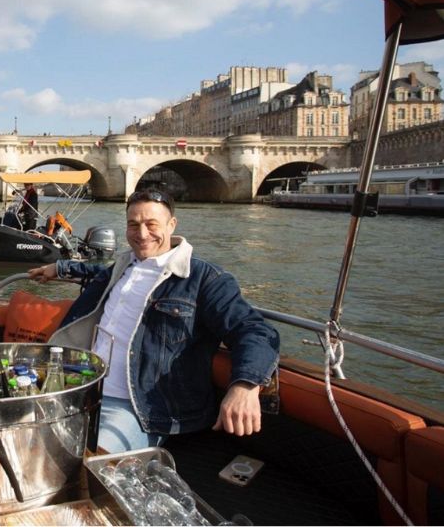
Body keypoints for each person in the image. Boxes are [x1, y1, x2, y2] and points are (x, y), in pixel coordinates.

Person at [29, 188, 279, 452]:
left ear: (172, 225)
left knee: (77, 460)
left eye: (151, 224)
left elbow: (254, 329)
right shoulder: (122, 267)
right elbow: (94, 271)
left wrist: (246, 384)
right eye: (133, 225)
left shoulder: (204, 279)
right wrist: (58, 268)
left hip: (138, 408)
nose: (142, 234)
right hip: (80, 385)